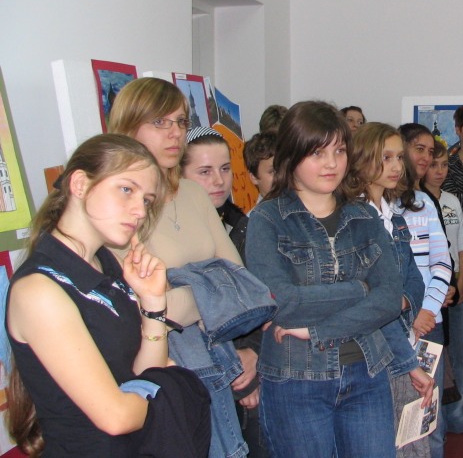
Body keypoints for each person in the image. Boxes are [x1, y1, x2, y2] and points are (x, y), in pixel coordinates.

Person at [5, 134, 204, 456]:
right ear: (80, 184)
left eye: (147, 200)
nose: (139, 211)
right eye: (126, 189)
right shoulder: (39, 290)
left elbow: (143, 374)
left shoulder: (106, 266)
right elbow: (116, 417)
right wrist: (172, 386)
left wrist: (153, 305)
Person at [245, 101, 403, 458]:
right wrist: (361, 290)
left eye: (339, 151)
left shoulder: (363, 216)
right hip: (295, 378)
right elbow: (280, 302)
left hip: (367, 372)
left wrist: (320, 330)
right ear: (291, 154)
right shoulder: (267, 219)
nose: (332, 163)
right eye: (317, 152)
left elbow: (391, 298)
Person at [108, 77, 249, 457]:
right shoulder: (117, 201)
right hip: (158, 363)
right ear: (128, 126)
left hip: (213, 354)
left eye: (181, 122)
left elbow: (236, 281)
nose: (175, 133)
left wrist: (178, 290)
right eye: (160, 122)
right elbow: (137, 305)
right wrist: (202, 288)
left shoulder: (191, 192)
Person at [348, 122, 435, 457]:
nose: (397, 166)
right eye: (386, 157)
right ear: (362, 159)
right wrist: (390, 304)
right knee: (393, 443)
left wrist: (399, 302)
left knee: (413, 437)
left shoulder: (394, 217)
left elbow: (415, 279)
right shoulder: (355, 219)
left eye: (399, 157)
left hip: (403, 334)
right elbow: (370, 301)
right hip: (378, 352)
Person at [181, 126, 268, 456]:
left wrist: (252, 352)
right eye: (204, 172)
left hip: (251, 370)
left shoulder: (244, 225)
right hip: (202, 375)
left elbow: (266, 298)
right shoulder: (173, 236)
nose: (219, 181)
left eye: (225, 169)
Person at [397, 122, 453, 458]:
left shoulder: (425, 203)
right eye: (419, 149)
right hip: (395, 324)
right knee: (399, 415)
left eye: (430, 152)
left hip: (430, 322)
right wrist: (413, 313)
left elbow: (442, 263)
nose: (426, 157)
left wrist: (428, 310)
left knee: (429, 414)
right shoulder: (373, 205)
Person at [423, 140, 463, 436]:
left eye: (445, 165)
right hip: (431, 291)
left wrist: (461, 285)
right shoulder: (416, 201)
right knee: (436, 359)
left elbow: (462, 245)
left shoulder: (451, 201)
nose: (440, 171)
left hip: (456, 287)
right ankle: (436, 424)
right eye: (433, 165)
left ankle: (458, 416)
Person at [244, 131, 278, 208]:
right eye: (273, 171)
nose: (281, 175)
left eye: (285, 168)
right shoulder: (256, 215)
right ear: (254, 177)